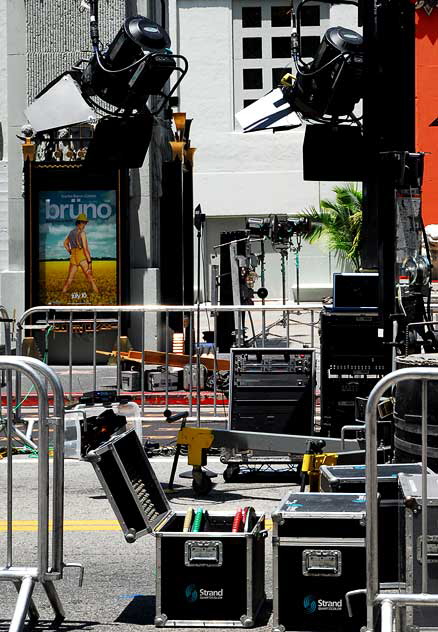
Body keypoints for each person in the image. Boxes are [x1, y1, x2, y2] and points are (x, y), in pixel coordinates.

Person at [62, 213, 99, 294]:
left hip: (73, 257)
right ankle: (97, 295)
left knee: (69, 280)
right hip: (81, 255)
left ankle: (62, 294)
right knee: (90, 278)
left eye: (85, 223)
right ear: (80, 222)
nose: (85, 225)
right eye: (84, 223)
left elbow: (65, 243)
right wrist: (89, 262)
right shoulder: (82, 233)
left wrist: (70, 251)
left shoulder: (71, 232)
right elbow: (85, 249)